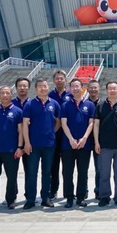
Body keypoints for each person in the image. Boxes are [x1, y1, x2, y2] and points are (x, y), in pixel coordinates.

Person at [22, 78, 61, 209]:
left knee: (47, 172)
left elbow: (58, 121)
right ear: (35, 89)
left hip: (49, 144)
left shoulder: (54, 103)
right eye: (40, 86)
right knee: (32, 172)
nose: (43, 88)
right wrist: (27, 142)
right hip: (33, 144)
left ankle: (46, 198)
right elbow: (25, 124)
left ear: (48, 88)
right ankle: (30, 199)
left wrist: (52, 132)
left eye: (45, 86)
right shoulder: (30, 104)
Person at [60, 78, 96, 208]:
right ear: (69, 89)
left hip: (84, 144)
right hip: (68, 144)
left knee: (83, 172)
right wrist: (71, 139)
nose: (75, 89)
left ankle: (81, 197)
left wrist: (84, 138)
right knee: (67, 172)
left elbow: (91, 123)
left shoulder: (89, 105)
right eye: (73, 86)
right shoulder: (65, 105)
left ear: (82, 88)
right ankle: (69, 198)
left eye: (77, 86)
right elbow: (63, 123)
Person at [94, 81, 117, 207]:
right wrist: (96, 142)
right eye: (110, 88)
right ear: (106, 90)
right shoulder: (100, 105)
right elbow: (96, 125)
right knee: (104, 173)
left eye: (115, 88)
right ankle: (104, 197)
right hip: (104, 146)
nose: (112, 91)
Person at [48, 70, 71, 199]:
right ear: (53, 81)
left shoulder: (71, 95)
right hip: (54, 135)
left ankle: (69, 192)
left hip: (68, 136)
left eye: (61, 78)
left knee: (68, 166)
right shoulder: (49, 95)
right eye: (57, 78)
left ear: (66, 80)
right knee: (54, 165)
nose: (59, 80)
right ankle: (53, 190)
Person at [86, 79, 102, 199]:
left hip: (99, 140)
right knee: (83, 168)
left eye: (95, 87)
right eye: (91, 87)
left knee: (99, 168)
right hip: (85, 139)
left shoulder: (103, 104)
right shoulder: (83, 103)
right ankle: (84, 190)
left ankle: (99, 190)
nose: (93, 90)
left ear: (99, 89)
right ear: (87, 89)